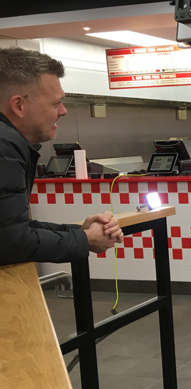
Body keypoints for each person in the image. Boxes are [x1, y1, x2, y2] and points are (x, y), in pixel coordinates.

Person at [0, 47, 122, 266]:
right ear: (18, 105)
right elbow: (11, 243)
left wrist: (77, 232)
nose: (63, 111)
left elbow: (11, 228)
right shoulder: (4, 147)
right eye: (55, 103)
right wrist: (86, 239)